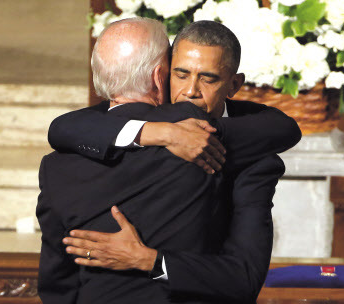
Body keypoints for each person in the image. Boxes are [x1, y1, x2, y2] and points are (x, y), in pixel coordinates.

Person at [37, 18, 301, 304]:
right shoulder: (85, 136)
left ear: (234, 84)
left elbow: (56, 288)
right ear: (160, 76)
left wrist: (149, 260)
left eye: (208, 78)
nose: (190, 91)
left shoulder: (58, 163)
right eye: (181, 74)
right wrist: (159, 131)